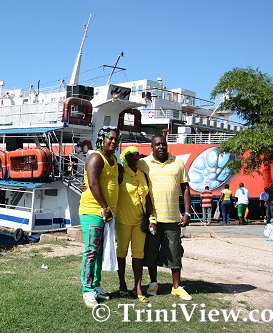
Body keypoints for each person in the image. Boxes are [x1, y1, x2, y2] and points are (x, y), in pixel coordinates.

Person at [139, 134, 193, 301]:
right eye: (157, 145)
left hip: (173, 219)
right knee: (151, 252)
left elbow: (185, 189)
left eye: (163, 144)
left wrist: (187, 213)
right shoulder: (143, 163)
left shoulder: (178, 163)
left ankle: (176, 286)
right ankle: (154, 283)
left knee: (175, 252)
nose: (161, 147)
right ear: (152, 147)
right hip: (152, 219)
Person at [78, 126, 120, 308]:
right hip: (93, 210)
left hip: (105, 212)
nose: (113, 141)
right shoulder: (96, 157)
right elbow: (93, 184)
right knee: (91, 251)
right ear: (102, 139)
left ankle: (96, 286)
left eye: (115, 139)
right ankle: (87, 290)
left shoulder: (113, 158)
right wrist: (105, 206)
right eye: (109, 138)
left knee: (99, 251)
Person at [116, 146, 153, 303]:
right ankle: (122, 284)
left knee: (139, 254)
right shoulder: (120, 172)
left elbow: (148, 198)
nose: (135, 158)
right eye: (131, 155)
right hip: (123, 220)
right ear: (125, 157)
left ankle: (138, 287)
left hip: (140, 220)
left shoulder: (143, 174)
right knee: (122, 252)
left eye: (137, 155)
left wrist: (152, 218)